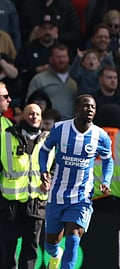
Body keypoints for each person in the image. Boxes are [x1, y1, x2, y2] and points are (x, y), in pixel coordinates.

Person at [38, 94, 114, 269]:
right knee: (51, 244)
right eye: (86, 106)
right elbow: (44, 151)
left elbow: (108, 160)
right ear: (76, 108)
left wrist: (106, 181)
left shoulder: (100, 136)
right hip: (57, 193)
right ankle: (56, 256)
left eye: (93, 107)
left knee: (73, 237)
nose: (90, 110)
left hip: (82, 196)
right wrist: (43, 171)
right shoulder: (59, 129)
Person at [0, 104, 54, 269]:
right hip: (11, 202)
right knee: (7, 250)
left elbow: (53, 167)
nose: (34, 117)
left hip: (36, 202)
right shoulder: (6, 136)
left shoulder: (48, 139)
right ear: (22, 116)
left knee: (31, 251)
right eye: (30, 114)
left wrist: (49, 180)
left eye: (38, 114)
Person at [26, 43, 78, 120]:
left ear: (69, 58)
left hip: (73, 124)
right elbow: (30, 104)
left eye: (64, 57)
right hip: (48, 125)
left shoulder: (77, 76)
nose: (61, 60)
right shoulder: (39, 79)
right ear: (51, 59)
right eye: (58, 57)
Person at [92, 65, 120, 131]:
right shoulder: (93, 100)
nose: (113, 80)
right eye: (109, 78)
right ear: (100, 80)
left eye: (115, 78)